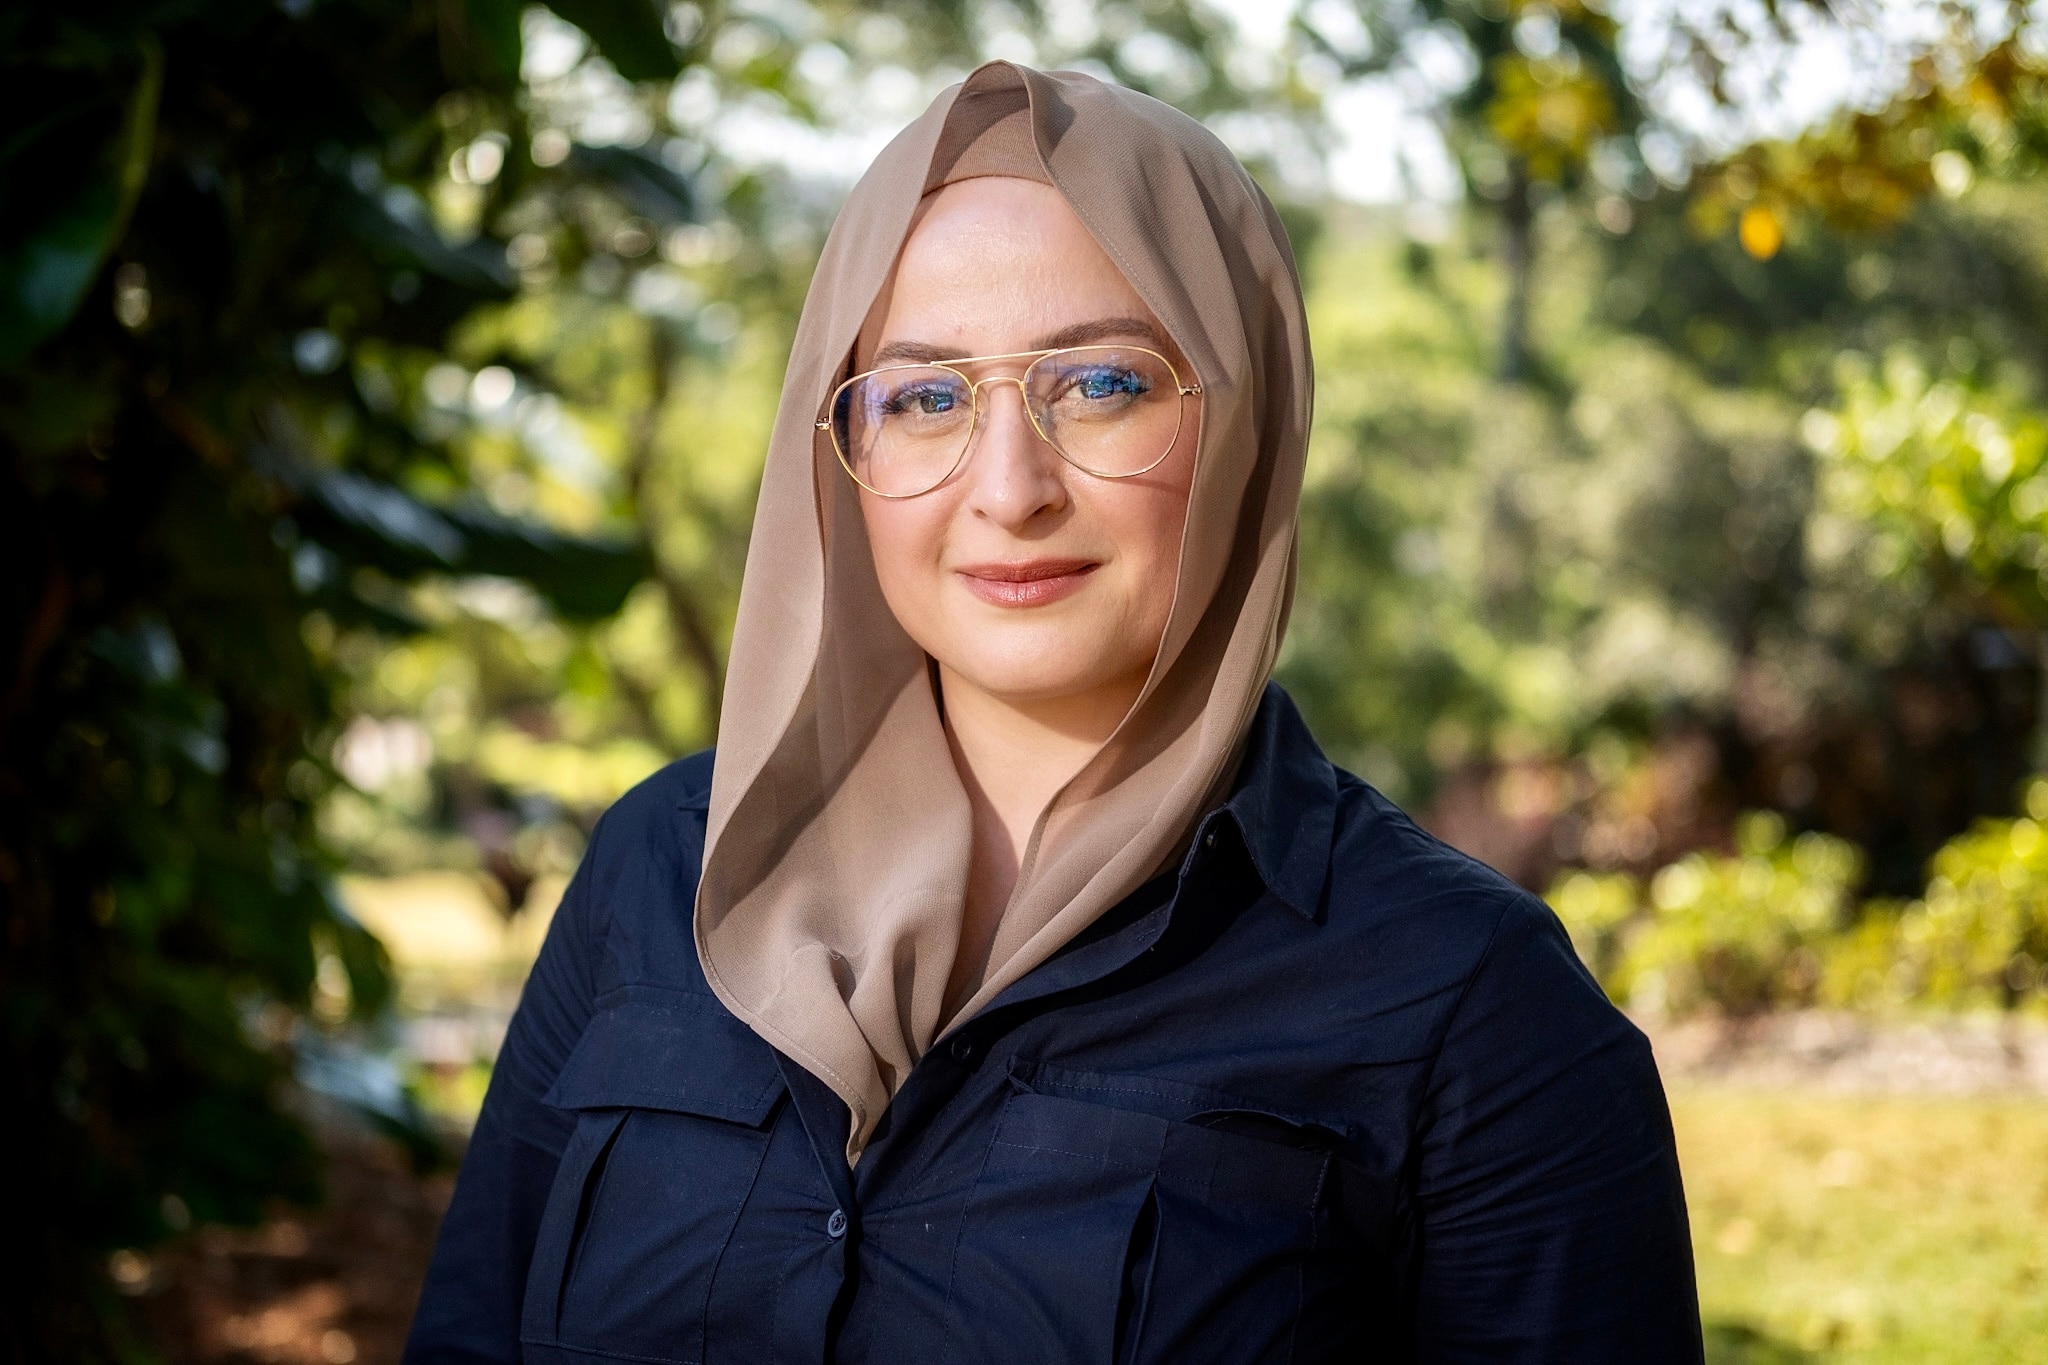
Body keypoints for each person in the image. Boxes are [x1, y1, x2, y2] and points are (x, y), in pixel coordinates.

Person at [404, 61, 1703, 1364]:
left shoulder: (1474, 1008)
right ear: (841, 444)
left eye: (1101, 383)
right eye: (924, 396)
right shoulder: (655, 869)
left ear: (1245, 416)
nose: (1010, 488)